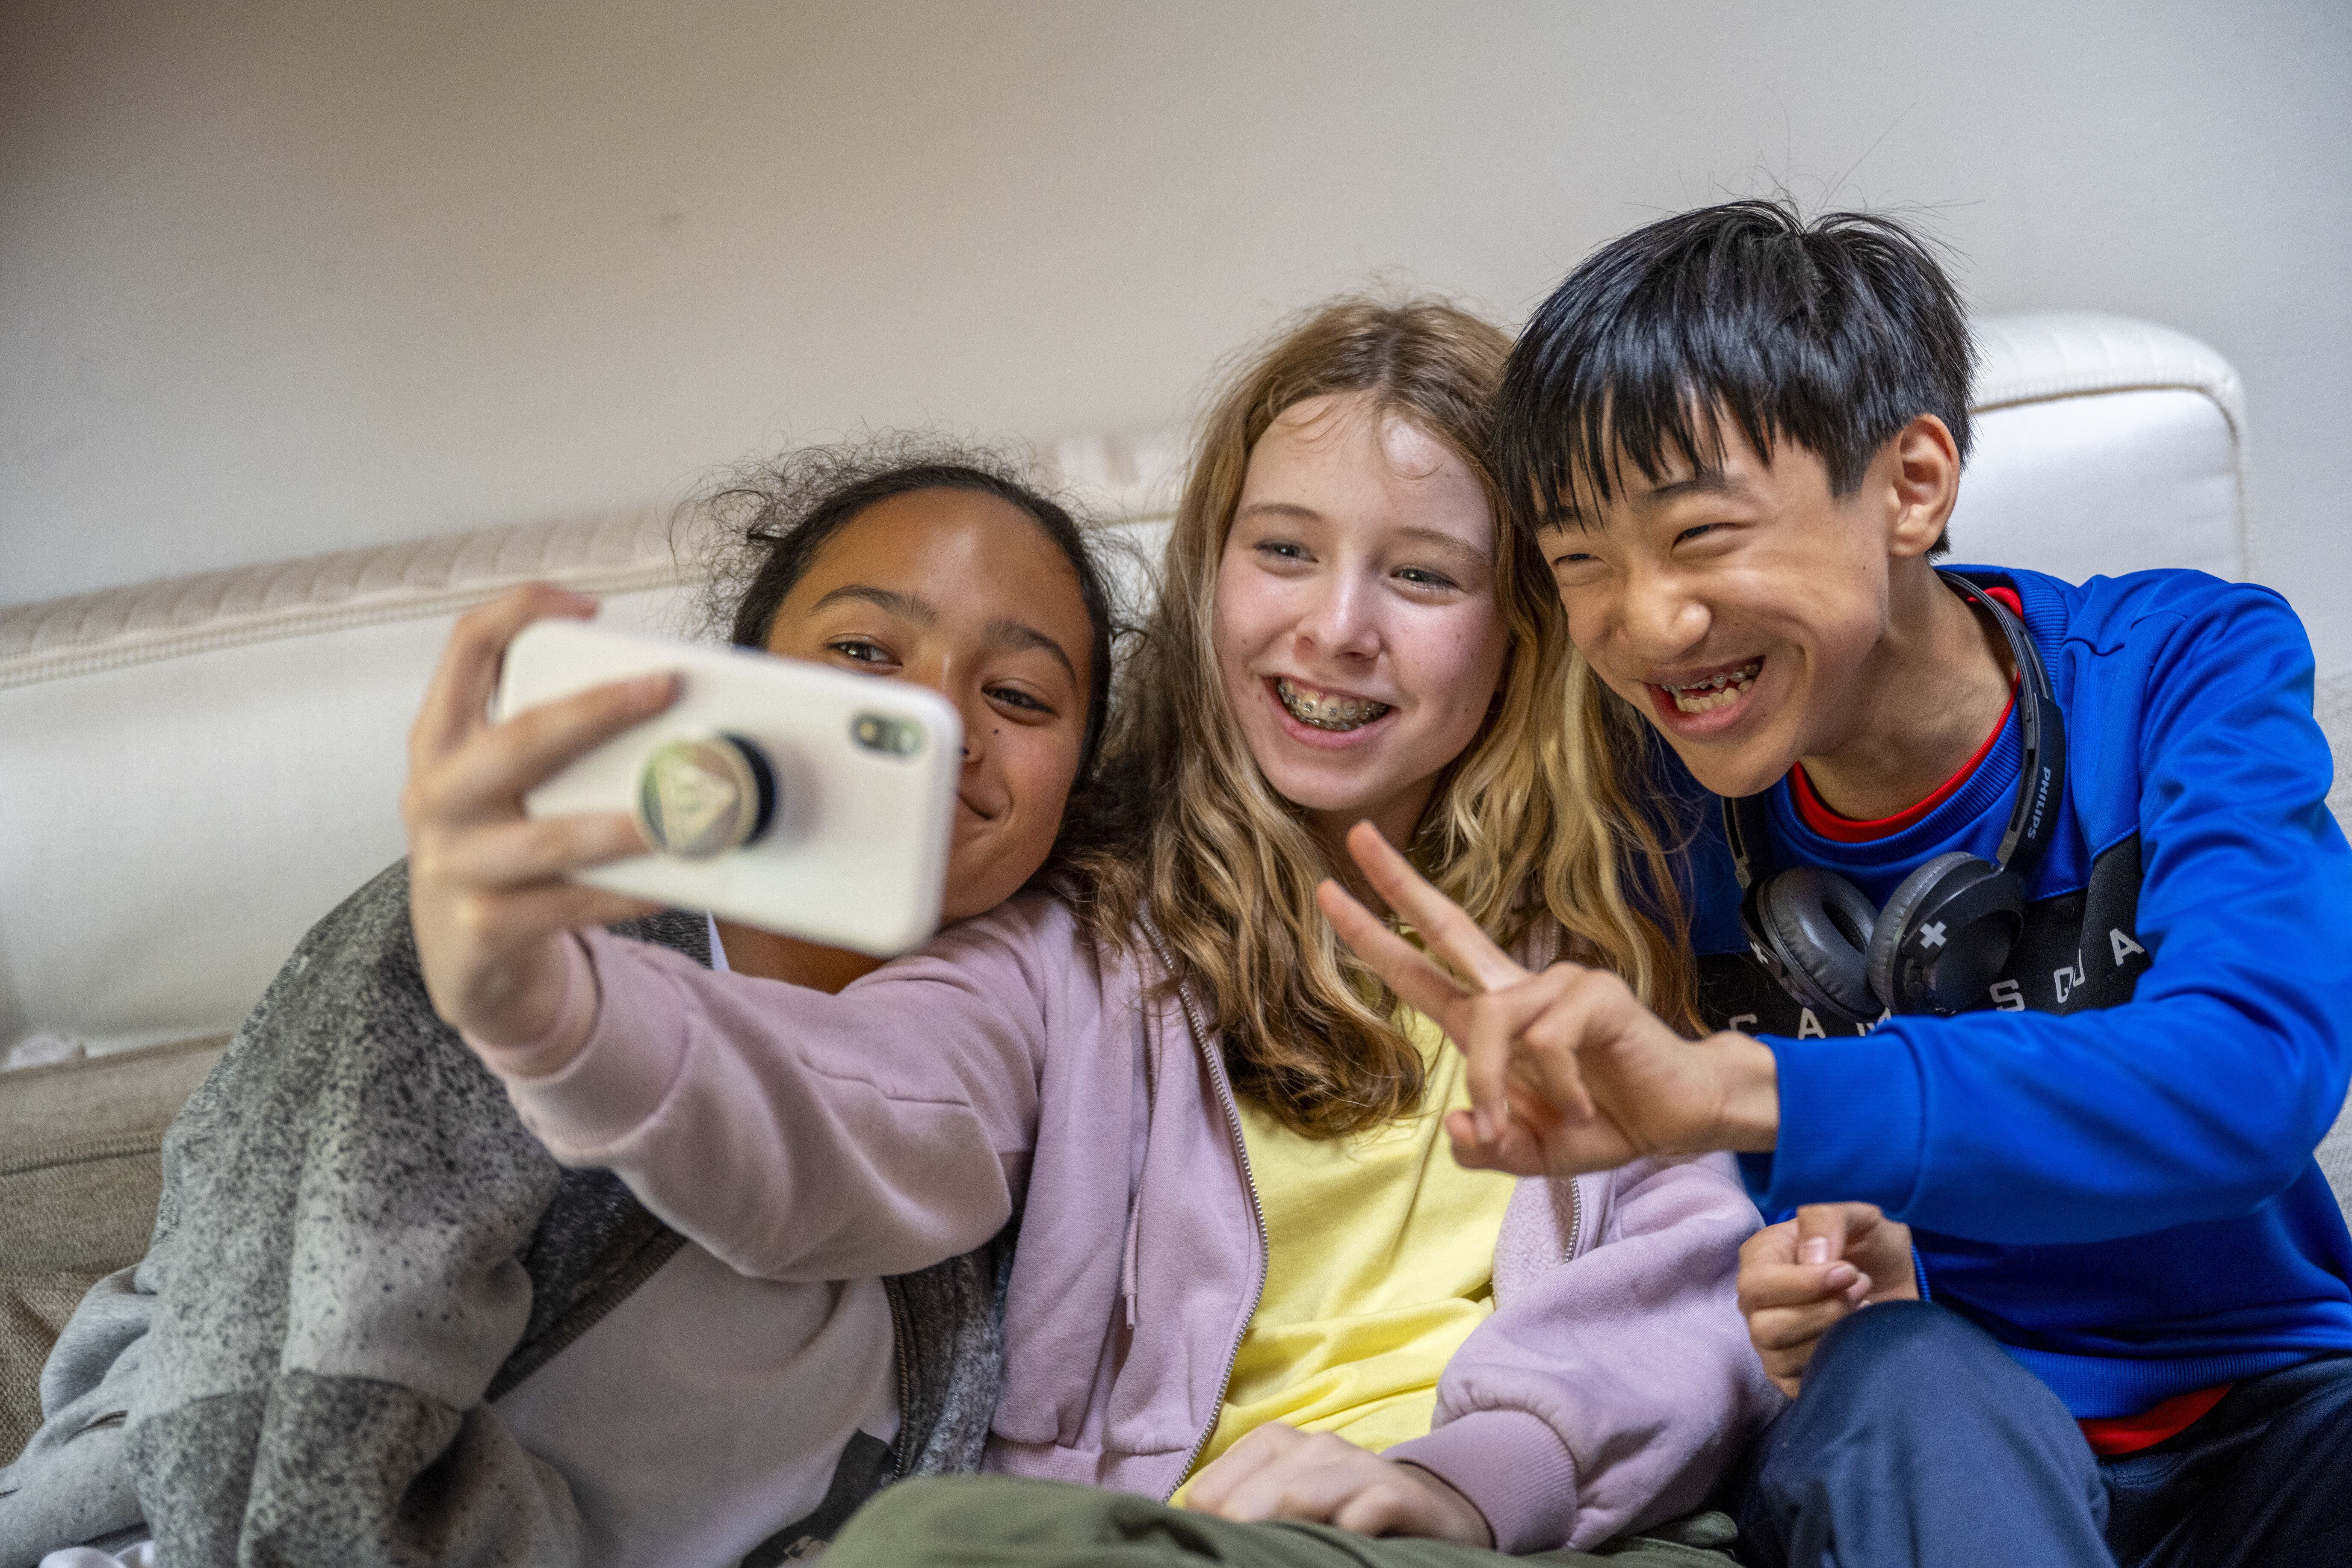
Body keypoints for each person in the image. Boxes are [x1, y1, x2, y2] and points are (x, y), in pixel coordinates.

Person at [413, 297, 1781, 1567]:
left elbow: (1692, 1288)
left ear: (1520, 635)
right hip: (1161, 1544)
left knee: (925, 1549)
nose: (1336, 625)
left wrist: (1467, 1476)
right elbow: (850, 1111)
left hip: (1531, 1538)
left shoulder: (1587, 945)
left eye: (1423, 576)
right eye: (1285, 550)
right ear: (1209, 576)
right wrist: (551, 1004)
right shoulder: (1070, 948)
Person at [1321, 201, 2352, 1568]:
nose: (1643, 624)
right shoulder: (1636, 799)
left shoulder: (2181, 668)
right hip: (1919, 1418)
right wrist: (1782, 1262)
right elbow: (1674, 1235)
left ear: (1912, 485)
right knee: (1905, 1375)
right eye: (1580, 561)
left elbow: (2253, 1074)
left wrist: (1748, 1091)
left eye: (1697, 535)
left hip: (2273, 1406)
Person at [0, 436, 1123, 1568]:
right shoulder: (501, 929)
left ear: (1077, 783)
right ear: (748, 681)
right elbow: (265, 1418)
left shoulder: (1020, 1075)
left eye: (1019, 694)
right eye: (865, 650)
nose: (941, 723)